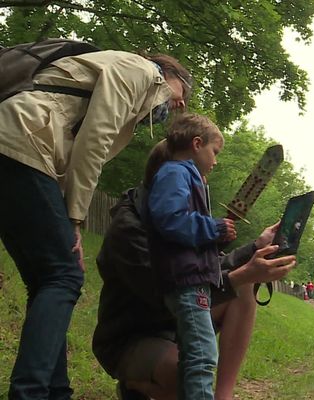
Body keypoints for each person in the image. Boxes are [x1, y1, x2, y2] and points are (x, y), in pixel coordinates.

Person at [0, 48, 192, 399]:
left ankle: (56, 392)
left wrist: (61, 213)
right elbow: (95, 137)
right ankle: (29, 393)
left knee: (48, 279)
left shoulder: (131, 80)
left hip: (19, 144)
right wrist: (75, 217)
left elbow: (69, 145)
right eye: (183, 92)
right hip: (22, 142)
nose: (180, 105)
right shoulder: (142, 71)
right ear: (169, 73)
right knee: (64, 275)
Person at [93, 147, 296, 400]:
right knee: (185, 376)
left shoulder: (176, 221)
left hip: (174, 325)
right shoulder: (129, 230)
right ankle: (133, 385)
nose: (200, 189)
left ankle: (224, 396)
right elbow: (170, 294)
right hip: (130, 338)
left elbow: (206, 268)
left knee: (243, 287)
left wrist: (256, 247)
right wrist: (242, 275)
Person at [145, 113, 237, 399]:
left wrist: (216, 238)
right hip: (187, 282)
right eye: (214, 152)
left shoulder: (186, 177)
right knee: (203, 358)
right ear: (197, 143)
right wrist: (214, 227)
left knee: (192, 358)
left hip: (191, 280)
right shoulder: (176, 173)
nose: (216, 160)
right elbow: (170, 219)